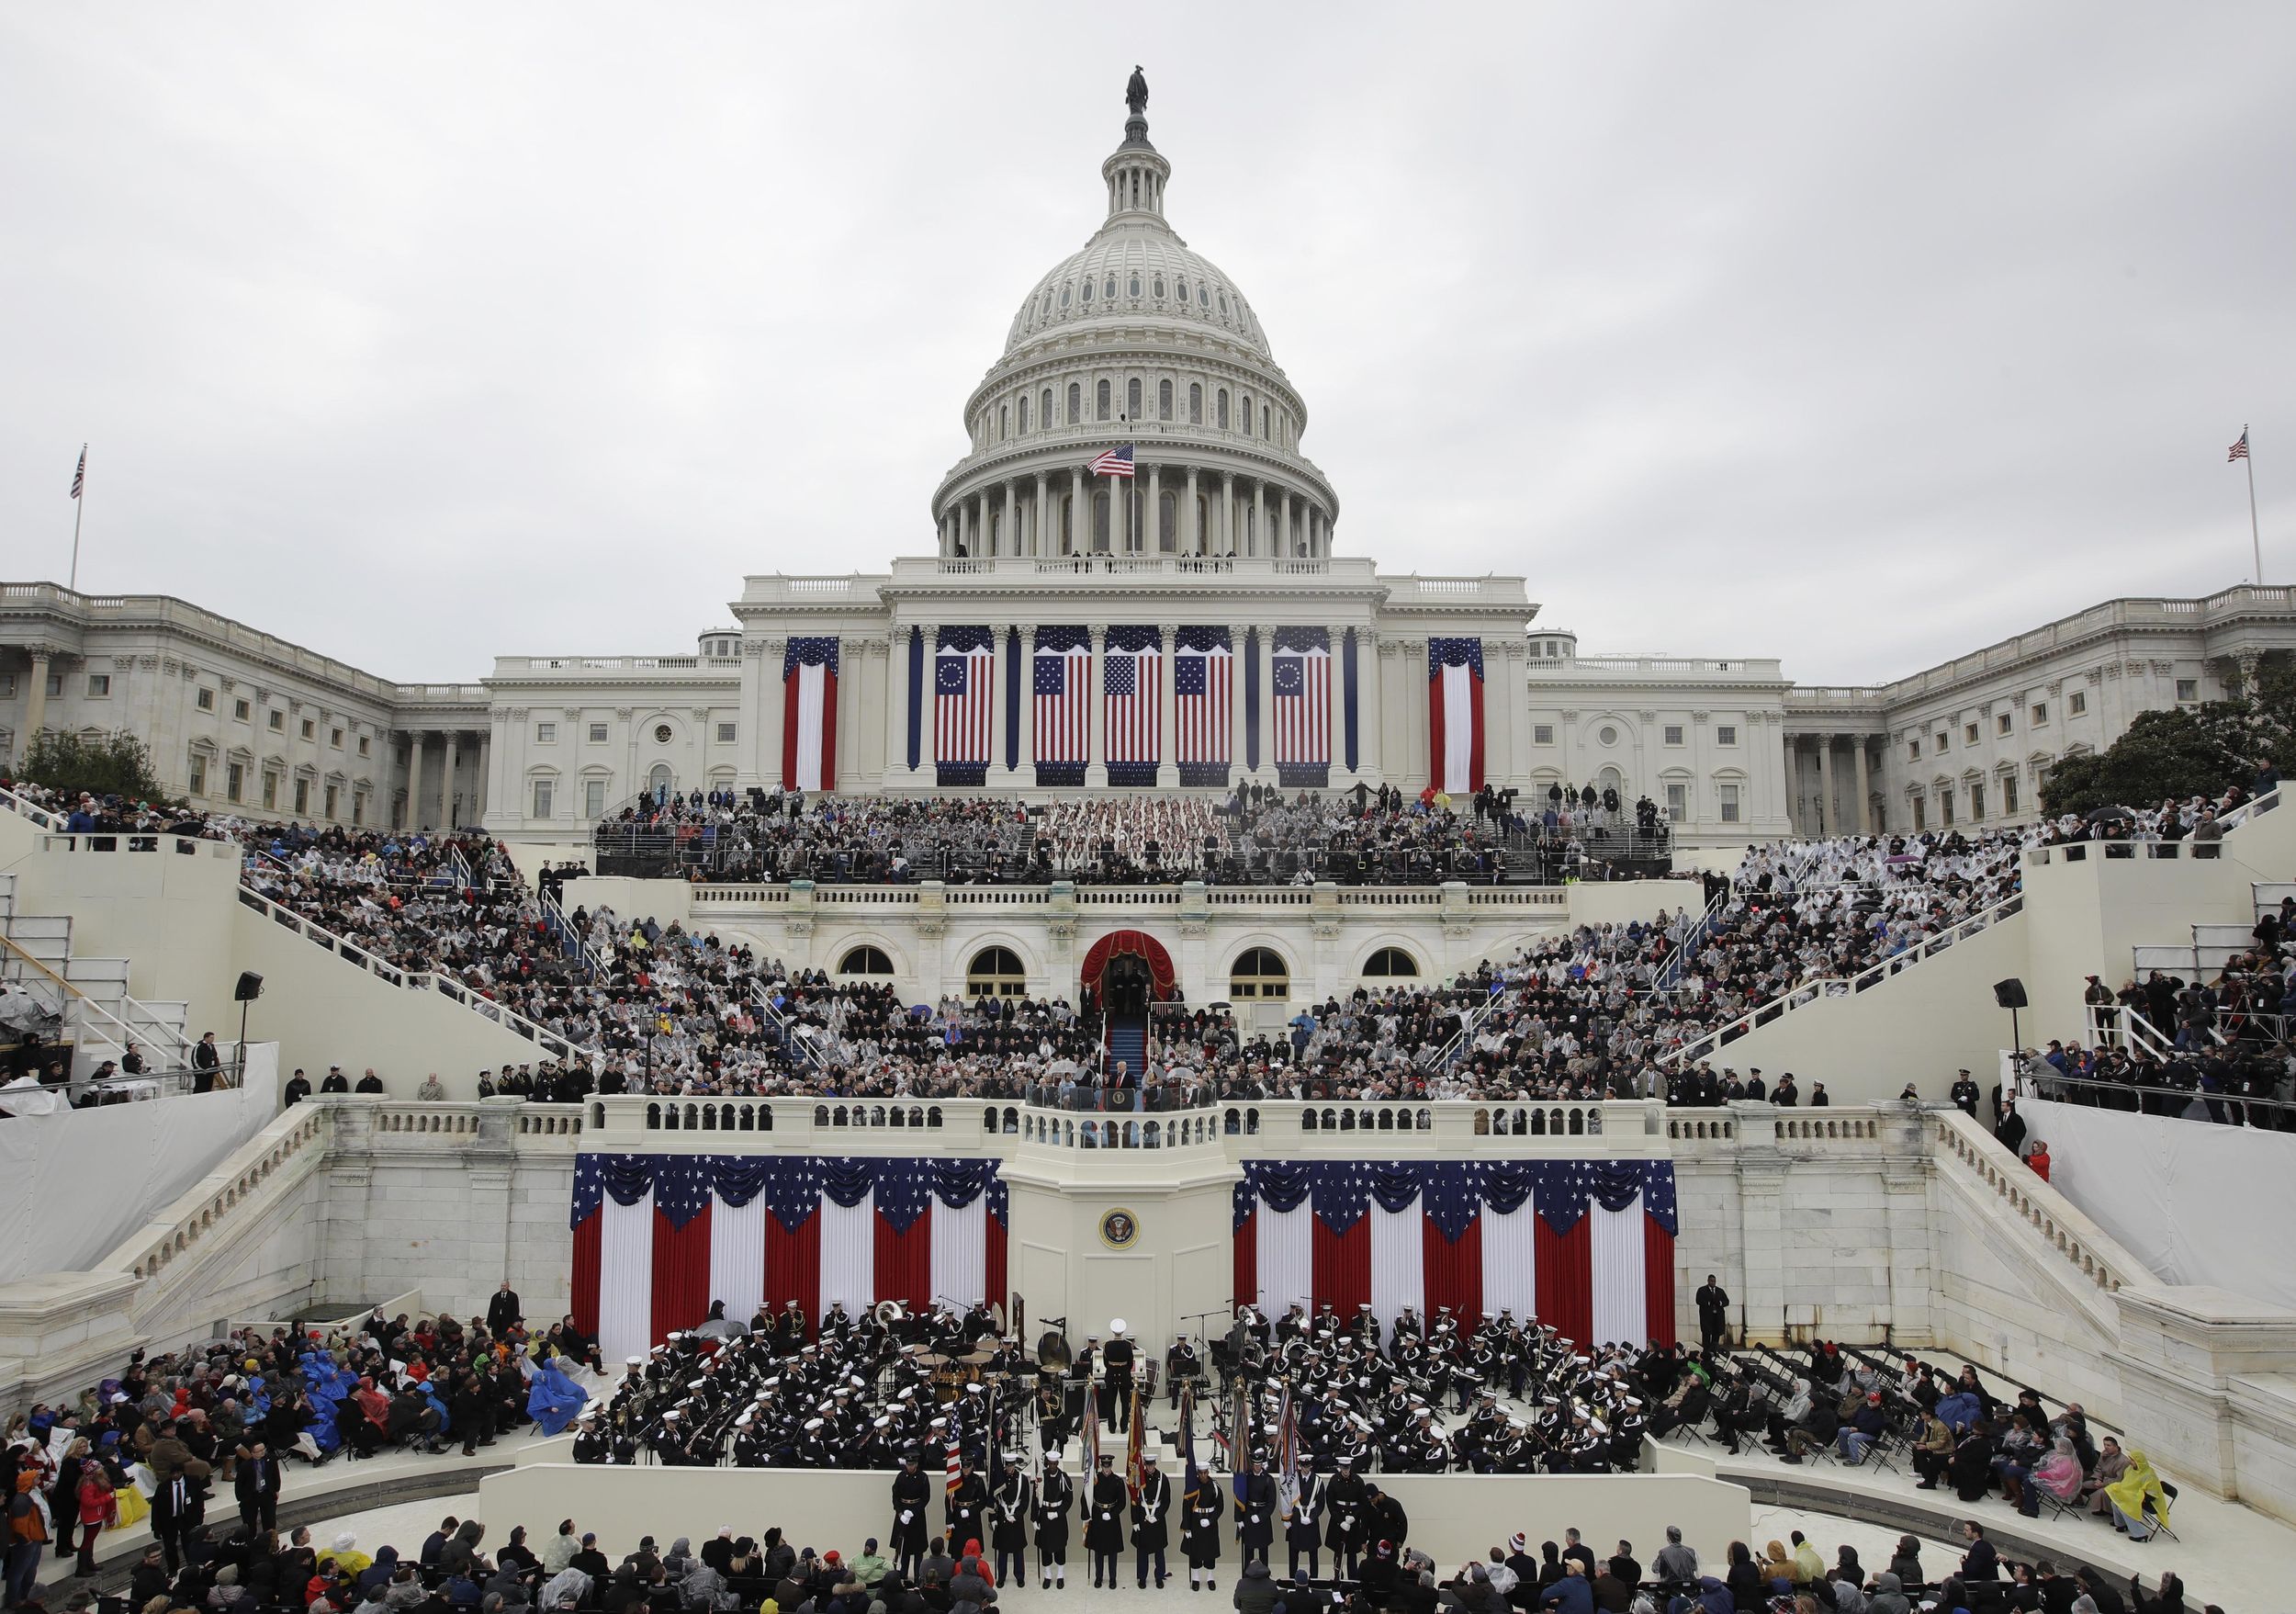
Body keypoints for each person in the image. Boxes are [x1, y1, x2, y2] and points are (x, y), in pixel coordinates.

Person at [2104, 1448, 2170, 1541]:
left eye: (2132, 1460)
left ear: (2139, 1462)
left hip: (2148, 1503)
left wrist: (2133, 1498)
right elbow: (2127, 1484)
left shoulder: (2149, 1475)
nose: (2129, 1461)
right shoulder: (2130, 1469)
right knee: (2115, 1501)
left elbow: (2151, 1496)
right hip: (2133, 1497)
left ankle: (2140, 1535)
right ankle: (2121, 1524)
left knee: (2126, 1509)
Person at [1131, 1451, 1172, 1589]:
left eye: (1152, 1464)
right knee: (1142, 1550)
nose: (1149, 1467)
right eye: (1147, 1465)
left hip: (1157, 1519)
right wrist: (1135, 1521)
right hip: (1143, 1516)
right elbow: (1134, 1501)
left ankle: (1159, 1576)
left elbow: (1166, 1501)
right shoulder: (1138, 1479)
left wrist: (1158, 1516)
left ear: (1155, 1464)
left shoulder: (1163, 1478)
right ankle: (1142, 1577)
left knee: (1159, 1550)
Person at [1086, 1454, 1127, 1588]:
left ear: (1111, 1466)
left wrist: (1112, 1514)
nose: (1106, 1469)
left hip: (1112, 1519)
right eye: (1104, 1466)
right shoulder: (1095, 1479)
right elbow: (1087, 1497)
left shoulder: (1117, 1481)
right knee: (1098, 1551)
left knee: (1112, 1551)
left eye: (1108, 1466)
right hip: (1098, 1517)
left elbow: (1122, 1503)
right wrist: (1090, 1514)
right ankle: (1098, 1577)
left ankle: (1112, 1578)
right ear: (1101, 1466)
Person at [1033, 1453, 1073, 1589]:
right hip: (1044, 1514)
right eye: (1050, 1464)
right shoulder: (1041, 1478)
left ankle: (1060, 1575)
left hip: (1058, 1517)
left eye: (1055, 1464)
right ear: (1047, 1464)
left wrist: (1058, 1513)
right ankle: (1048, 1575)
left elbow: (1068, 1500)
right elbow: (1035, 1499)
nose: (1052, 1466)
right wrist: (1034, 1518)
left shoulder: (1064, 1478)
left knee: (1060, 1546)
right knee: (1045, 1546)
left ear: (1058, 1464)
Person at [892, 1452, 931, 1581]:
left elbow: (925, 1498)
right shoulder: (901, 1477)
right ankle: (903, 1574)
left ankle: (917, 1575)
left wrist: (914, 1511)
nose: (910, 1467)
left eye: (912, 1464)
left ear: (916, 1464)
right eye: (908, 1464)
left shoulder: (923, 1477)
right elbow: (895, 1497)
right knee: (904, 1547)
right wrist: (900, 1514)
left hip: (917, 1515)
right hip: (902, 1513)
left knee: (918, 1548)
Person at [236, 1439, 281, 1535]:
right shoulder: (245, 1466)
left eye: (263, 1449)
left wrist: (276, 1490)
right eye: (259, 1451)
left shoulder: (271, 1459)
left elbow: (276, 1476)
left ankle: (270, 1541)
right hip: (251, 1496)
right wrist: (241, 1498)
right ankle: (250, 1542)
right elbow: (239, 1484)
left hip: (267, 1493)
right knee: (249, 1522)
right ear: (252, 1453)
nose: (262, 1452)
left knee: (270, 1521)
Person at [1694, 1277, 1729, 1350]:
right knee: (1706, 1335)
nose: (1713, 1283)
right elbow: (1698, 1300)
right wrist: (1709, 1303)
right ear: (1708, 1281)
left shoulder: (1720, 1291)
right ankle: (1706, 1351)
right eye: (1711, 1281)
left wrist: (1719, 1303)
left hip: (1717, 1317)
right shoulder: (1702, 1290)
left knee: (1716, 1335)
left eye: (1714, 1281)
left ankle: (1714, 1350)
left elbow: (1726, 1301)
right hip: (1707, 1318)